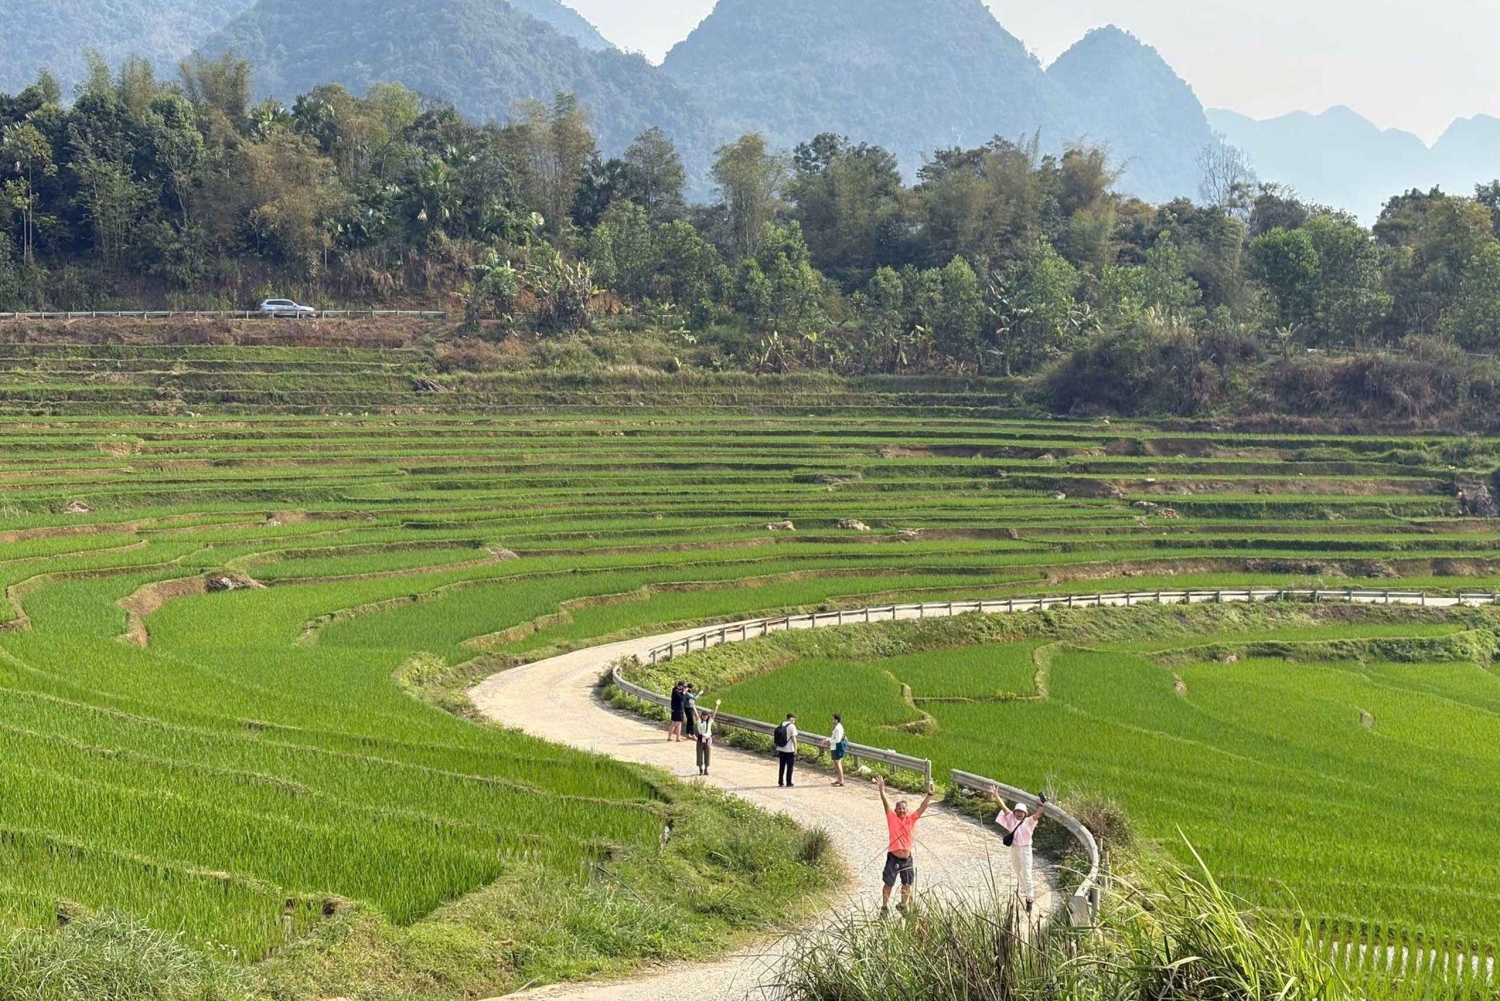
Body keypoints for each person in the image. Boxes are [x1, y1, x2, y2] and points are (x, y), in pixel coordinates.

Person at [877, 774, 934, 912]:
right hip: (893, 857)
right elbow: (886, 804)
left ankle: (903, 904)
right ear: (896, 810)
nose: (901, 810)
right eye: (899, 808)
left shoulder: (911, 819)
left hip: (907, 859)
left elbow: (922, 807)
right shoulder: (891, 818)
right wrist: (881, 790)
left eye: (904, 808)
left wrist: (930, 795)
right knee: (889, 883)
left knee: (907, 883)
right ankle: (884, 906)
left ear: (906, 810)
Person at [991, 788, 1046, 914]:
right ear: (1015, 812)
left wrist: (1042, 804)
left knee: (1027, 873)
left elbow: (1038, 814)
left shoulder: (1029, 821)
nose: (1019, 814)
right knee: (1018, 872)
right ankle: (1026, 892)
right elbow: (1004, 807)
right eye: (1017, 812)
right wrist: (997, 795)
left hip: (1025, 850)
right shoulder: (1011, 818)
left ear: (1025, 813)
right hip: (1014, 849)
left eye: (1021, 812)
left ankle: (1030, 899)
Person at [695, 701, 720, 776]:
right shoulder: (699, 721)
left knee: (707, 754)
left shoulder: (709, 721)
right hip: (700, 739)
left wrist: (716, 706)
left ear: (707, 716)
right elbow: (696, 714)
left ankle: (706, 769)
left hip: (708, 739)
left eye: (706, 716)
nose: (704, 717)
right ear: (701, 716)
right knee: (699, 754)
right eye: (703, 716)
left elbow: (714, 715)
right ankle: (700, 769)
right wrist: (693, 705)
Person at [775, 713, 799, 787]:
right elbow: (793, 738)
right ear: (791, 718)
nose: (794, 720)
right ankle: (788, 782)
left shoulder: (782, 724)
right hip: (789, 750)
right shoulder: (792, 726)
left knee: (781, 766)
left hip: (781, 748)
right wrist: (795, 749)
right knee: (789, 767)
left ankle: (780, 782)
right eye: (794, 718)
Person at [826, 713, 847, 787]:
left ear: (836, 720)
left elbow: (837, 740)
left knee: (838, 763)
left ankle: (841, 781)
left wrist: (828, 741)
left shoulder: (838, 728)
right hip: (835, 747)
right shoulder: (837, 727)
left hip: (837, 747)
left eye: (832, 719)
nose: (831, 720)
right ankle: (839, 779)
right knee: (836, 763)